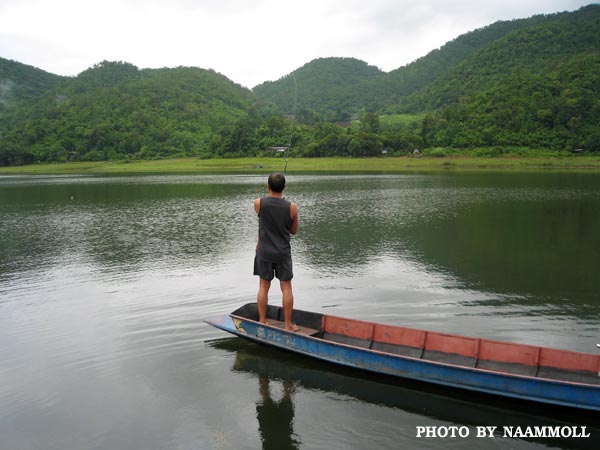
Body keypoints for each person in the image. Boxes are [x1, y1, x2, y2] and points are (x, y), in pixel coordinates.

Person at [253, 172, 299, 332]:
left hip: (264, 251)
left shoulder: (258, 203)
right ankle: (287, 325)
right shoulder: (291, 207)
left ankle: (262, 320)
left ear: (268, 186)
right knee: (286, 287)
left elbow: (264, 222)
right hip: (283, 253)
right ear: (284, 187)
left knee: (263, 286)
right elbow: (294, 231)